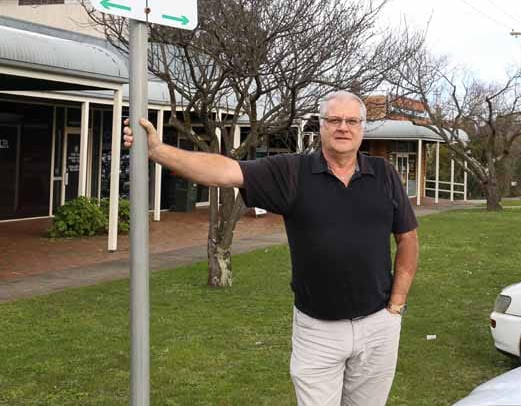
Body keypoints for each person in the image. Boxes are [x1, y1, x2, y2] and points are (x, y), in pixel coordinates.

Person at [123, 90, 419, 406]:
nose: (343, 127)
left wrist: (396, 305)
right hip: (318, 332)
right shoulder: (292, 173)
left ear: (362, 127)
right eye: (334, 120)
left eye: (351, 121)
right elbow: (224, 170)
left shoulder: (384, 175)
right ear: (320, 126)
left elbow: (408, 238)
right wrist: (159, 150)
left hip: (378, 326)